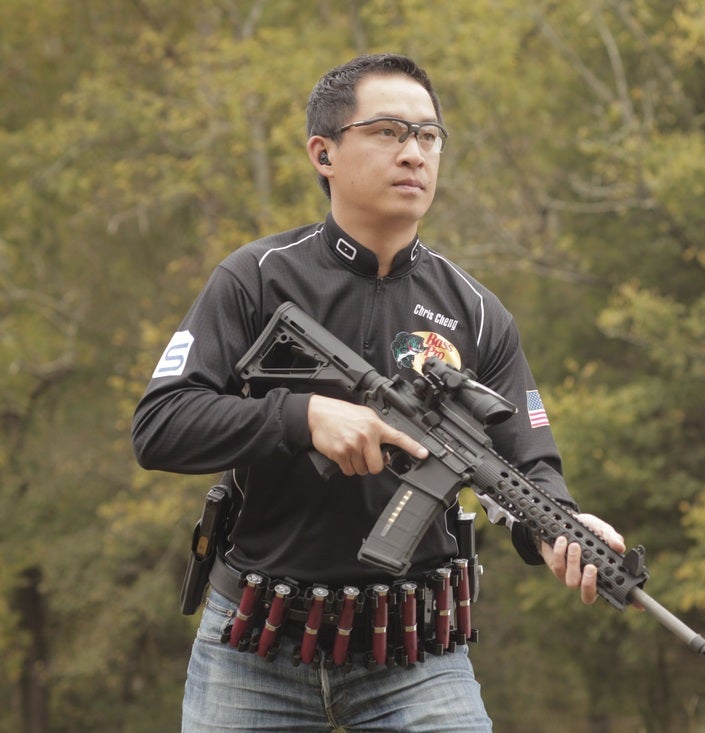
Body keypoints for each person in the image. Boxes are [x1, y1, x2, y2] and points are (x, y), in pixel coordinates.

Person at [131, 53, 626, 732]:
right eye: (390, 132)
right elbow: (160, 424)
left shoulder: (477, 311)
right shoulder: (255, 280)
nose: (414, 153)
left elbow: (525, 461)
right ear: (323, 153)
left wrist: (563, 525)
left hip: (415, 654)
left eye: (429, 136)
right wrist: (300, 416)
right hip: (253, 644)